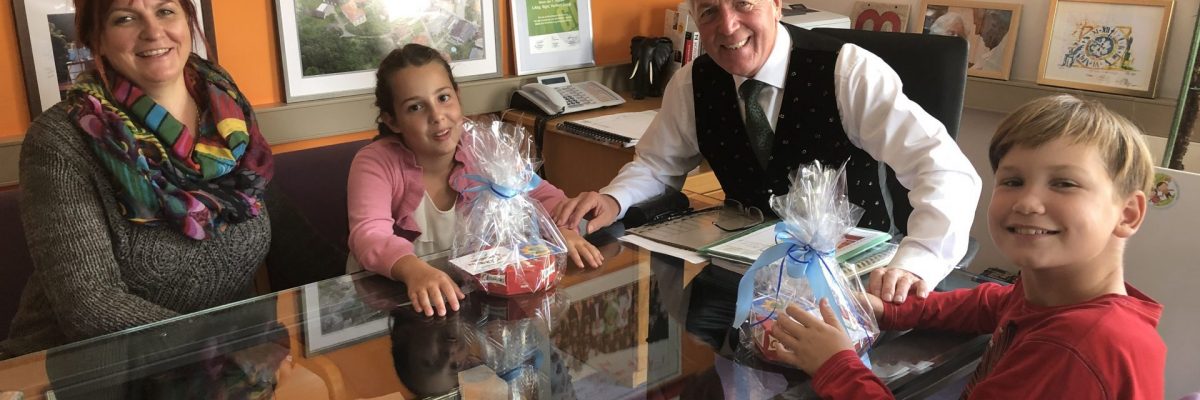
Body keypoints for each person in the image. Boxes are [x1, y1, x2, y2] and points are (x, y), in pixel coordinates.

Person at [553, 0, 981, 302]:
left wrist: (917, 261)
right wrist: (614, 198)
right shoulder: (692, 84)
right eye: (709, 11)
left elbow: (943, 170)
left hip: (855, 281)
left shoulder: (848, 72)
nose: (728, 25)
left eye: (743, 3)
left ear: (776, 4)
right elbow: (656, 165)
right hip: (743, 280)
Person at [772, 95, 1165, 399]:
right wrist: (890, 309)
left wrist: (835, 365)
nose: (1028, 202)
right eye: (1012, 182)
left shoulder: (1072, 348)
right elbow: (994, 303)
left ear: (1127, 213)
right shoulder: (1056, 297)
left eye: (1064, 183)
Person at [0, 0, 274, 359]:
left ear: (187, 21)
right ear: (96, 38)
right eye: (125, 18)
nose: (153, 31)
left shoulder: (229, 113)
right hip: (87, 370)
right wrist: (224, 349)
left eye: (165, 11)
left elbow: (270, 224)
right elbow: (90, 305)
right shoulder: (60, 140)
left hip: (226, 364)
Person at [346, 44, 603, 318]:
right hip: (393, 298)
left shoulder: (485, 147)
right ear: (392, 121)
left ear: (458, 96)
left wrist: (562, 230)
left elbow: (540, 194)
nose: (437, 116)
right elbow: (369, 235)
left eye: (443, 98)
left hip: (466, 293)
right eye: (415, 107)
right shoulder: (375, 162)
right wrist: (414, 270)